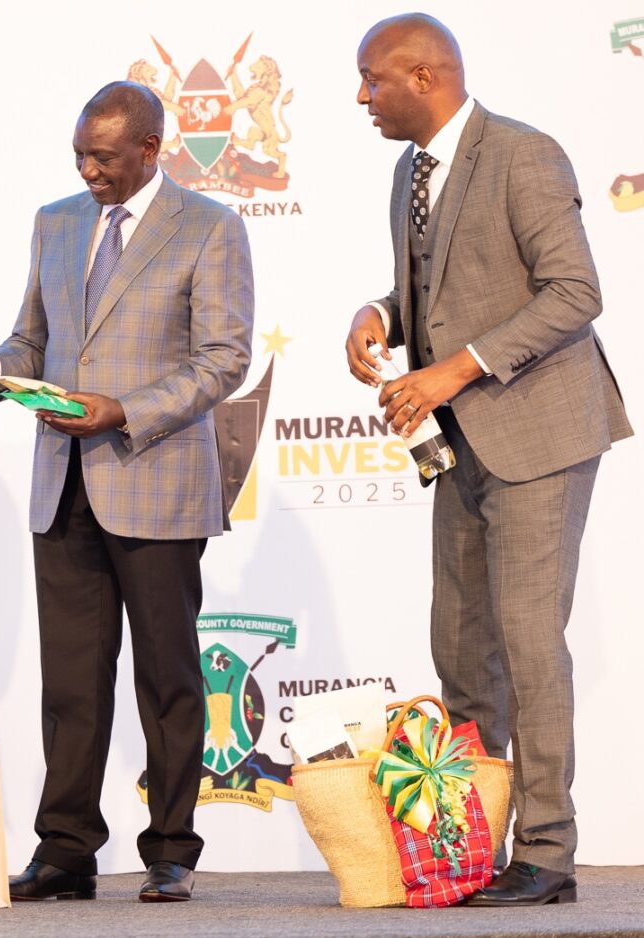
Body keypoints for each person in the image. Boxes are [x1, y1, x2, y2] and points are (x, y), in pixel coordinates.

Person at [346, 14, 632, 906]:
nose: (361, 97)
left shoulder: (524, 154)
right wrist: (380, 317)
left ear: (424, 76)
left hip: (541, 431)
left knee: (527, 642)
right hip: (463, 439)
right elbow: (431, 286)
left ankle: (547, 851)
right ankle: (472, 839)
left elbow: (576, 292)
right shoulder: (411, 170)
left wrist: (453, 370)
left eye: (372, 80)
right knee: (462, 648)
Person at [0, 81, 253, 902]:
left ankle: (172, 847)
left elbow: (225, 358)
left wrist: (127, 410)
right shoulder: (56, 220)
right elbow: (33, 337)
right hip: (63, 483)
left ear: (151, 150)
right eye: (80, 155)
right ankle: (66, 848)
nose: (89, 171)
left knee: (167, 677)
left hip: (154, 479)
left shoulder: (211, 228)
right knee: (72, 682)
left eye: (105, 158)